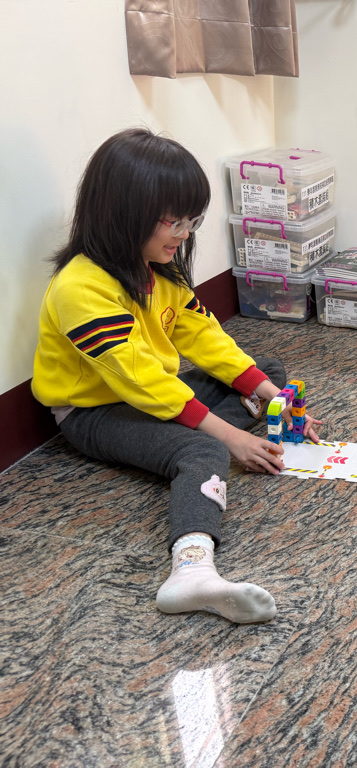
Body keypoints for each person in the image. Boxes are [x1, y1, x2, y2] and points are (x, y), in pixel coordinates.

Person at [32, 128, 322, 624]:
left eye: (192, 221)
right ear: (123, 212)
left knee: (266, 372)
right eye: (174, 222)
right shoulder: (80, 288)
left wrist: (278, 398)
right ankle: (191, 571)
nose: (185, 234)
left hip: (150, 394)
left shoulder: (157, 269)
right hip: (92, 413)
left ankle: (213, 427)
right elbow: (143, 381)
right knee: (205, 451)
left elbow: (207, 339)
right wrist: (230, 437)